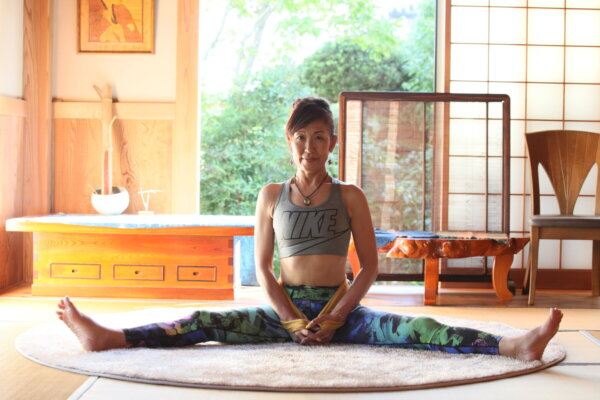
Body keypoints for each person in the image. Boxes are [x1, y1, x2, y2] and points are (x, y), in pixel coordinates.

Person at [57, 97, 562, 361]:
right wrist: (292, 320)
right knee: (203, 320)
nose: (309, 147)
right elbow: (261, 268)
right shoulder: (270, 195)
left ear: (332, 143)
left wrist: (337, 317)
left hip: (342, 309)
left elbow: (370, 269)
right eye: (300, 137)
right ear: (289, 141)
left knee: (417, 330)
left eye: (319, 137)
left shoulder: (351, 195)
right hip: (285, 310)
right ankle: (111, 338)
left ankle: (513, 347)